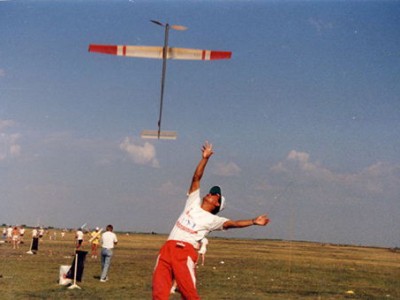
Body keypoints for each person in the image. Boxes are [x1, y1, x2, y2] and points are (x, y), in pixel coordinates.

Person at [152, 141, 270, 300]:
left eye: (214, 194)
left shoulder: (213, 219)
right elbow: (196, 178)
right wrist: (205, 158)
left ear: (217, 203)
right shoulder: (193, 201)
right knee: (158, 294)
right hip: (167, 249)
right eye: (211, 192)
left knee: (189, 295)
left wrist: (253, 221)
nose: (210, 193)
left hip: (184, 252)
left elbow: (232, 224)